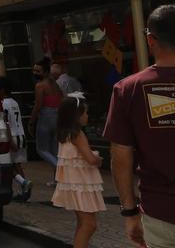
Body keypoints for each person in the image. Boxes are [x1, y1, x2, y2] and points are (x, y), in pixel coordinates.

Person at [104, 4, 175, 248]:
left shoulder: (128, 89)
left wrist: (129, 212)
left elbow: (121, 156)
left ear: (150, 39)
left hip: (161, 215)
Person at [52, 95, 105, 248]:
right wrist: (98, 159)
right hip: (81, 184)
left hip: (74, 184)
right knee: (89, 224)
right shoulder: (78, 134)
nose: (87, 116)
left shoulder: (65, 134)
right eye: (85, 113)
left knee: (83, 224)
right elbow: (90, 159)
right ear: (76, 115)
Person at [29, 57, 64, 180]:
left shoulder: (40, 86)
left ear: (45, 72)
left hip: (46, 117)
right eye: (34, 70)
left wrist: (32, 122)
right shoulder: (54, 84)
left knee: (41, 149)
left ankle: (61, 171)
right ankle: (57, 178)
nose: (35, 73)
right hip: (57, 117)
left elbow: (38, 105)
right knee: (54, 150)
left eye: (38, 71)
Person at [0, 78, 32, 201]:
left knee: (7, 164)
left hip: (12, 136)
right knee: (17, 164)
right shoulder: (14, 102)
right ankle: (25, 189)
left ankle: (24, 182)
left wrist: (9, 140)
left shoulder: (4, 104)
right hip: (21, 135)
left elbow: (6, 122)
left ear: (2, 90)